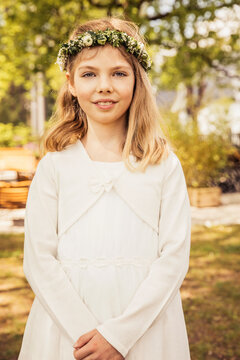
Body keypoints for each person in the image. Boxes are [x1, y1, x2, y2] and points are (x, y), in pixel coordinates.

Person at [18, 16, 191, 360]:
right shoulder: (54, 166)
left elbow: (173, 259)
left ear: (137, 81)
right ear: (70, 83)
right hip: (66, 331)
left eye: (119, 73)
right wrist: (88, 336)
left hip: (144, 328)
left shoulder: (163, 166)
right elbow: (39, 260)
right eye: (89, 74)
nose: (104, 86)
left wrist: (118, 337)